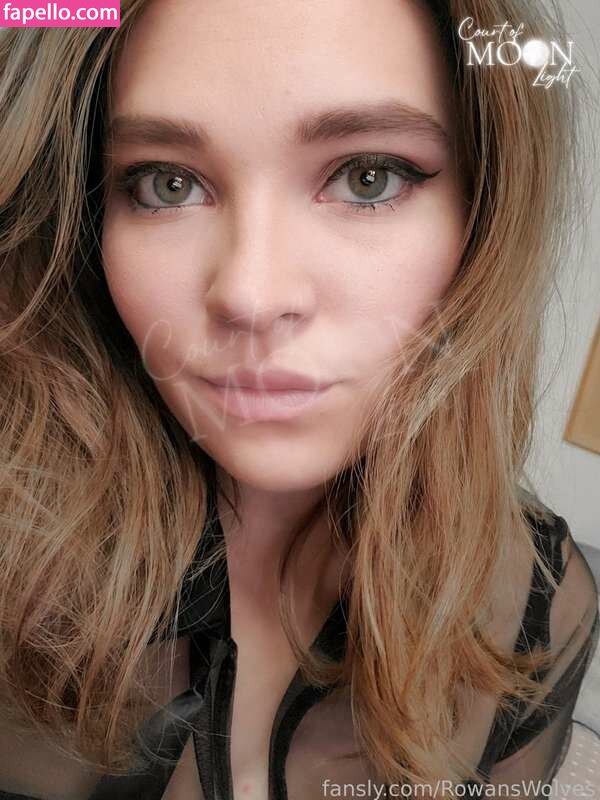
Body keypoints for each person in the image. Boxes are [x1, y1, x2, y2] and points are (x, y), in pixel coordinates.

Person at [0, 0, 598, 798]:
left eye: (367, 176)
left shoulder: (536, 600)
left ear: (483, 216)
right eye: (166, 184)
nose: (251, 295)